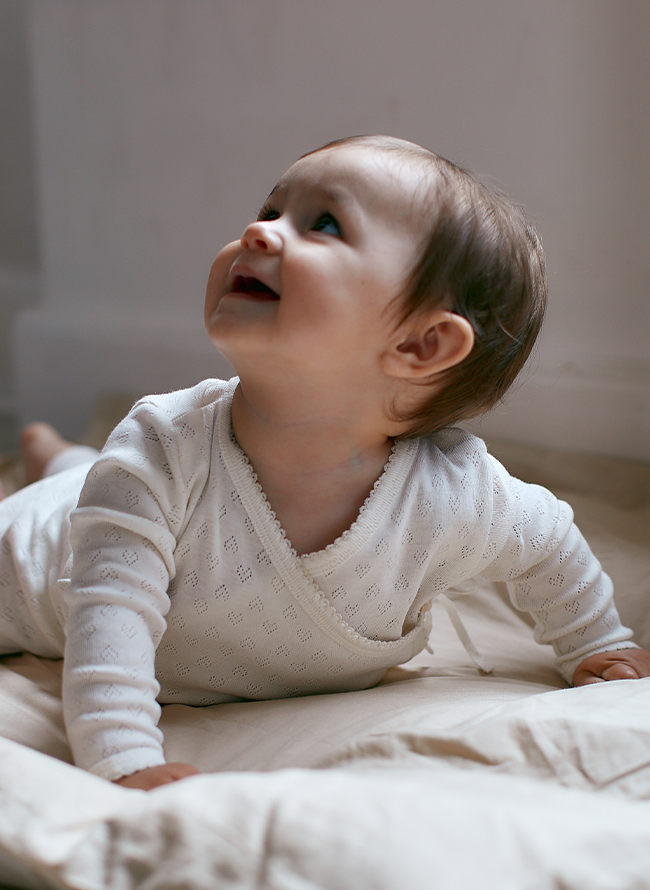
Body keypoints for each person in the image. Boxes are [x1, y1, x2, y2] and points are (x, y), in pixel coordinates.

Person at [1, 135, 648, 791]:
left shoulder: (454, 493)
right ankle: (59, 461)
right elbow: (108, 609)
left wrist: (597, 643)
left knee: (95, 478)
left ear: (421, 344)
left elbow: (548, 547)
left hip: (115, 499)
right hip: (51, 560)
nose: (258, 231)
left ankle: (61, 457)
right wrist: (123, 756)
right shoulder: (162, 447)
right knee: (92, 490)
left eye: (325, 224)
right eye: (270, 210)